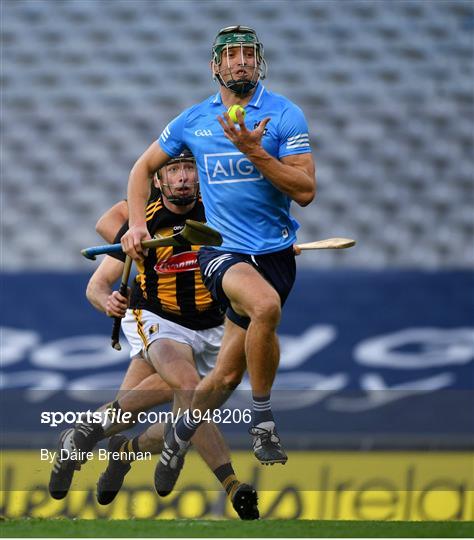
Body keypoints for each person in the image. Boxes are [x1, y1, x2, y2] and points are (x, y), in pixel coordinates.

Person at [120, 25, 316, 493]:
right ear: (215, 66)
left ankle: (171, 438)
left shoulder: (285, 115)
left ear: (259, 62)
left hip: (275, 254)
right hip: (222, 251)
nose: (240, 62)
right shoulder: (192, 120)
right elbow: (142, 168)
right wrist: (136, 224)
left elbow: (305, 191)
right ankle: (264, 421)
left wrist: (256, 153)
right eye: (230, 56)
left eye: (248, 54)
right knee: (266, 306)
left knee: (225, 376)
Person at [48, 151, 259, 519]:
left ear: (200, 175)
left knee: (148, 414)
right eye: (172, 170)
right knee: (190, 390)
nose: (181, 178)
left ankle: (108, 445)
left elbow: (258, 240)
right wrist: (108, 301)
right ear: (158, 181)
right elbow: (98, 283)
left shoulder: (222, 210)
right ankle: (233, 486)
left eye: (188, 169)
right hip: (160, 320)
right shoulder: (140, 223)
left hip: (213, 327)